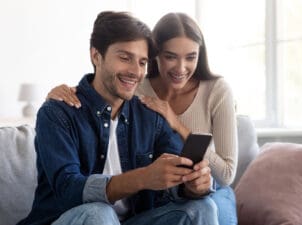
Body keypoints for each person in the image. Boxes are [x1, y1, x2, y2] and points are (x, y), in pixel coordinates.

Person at [18, 11, 218, 225]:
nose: (135, 71)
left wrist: (194, 185)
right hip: (70, 220)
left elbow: (177, 180)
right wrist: (143, 177)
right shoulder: (58, 113)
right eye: (125, 58)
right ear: (96, 56)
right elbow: (69, 189)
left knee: (203, 207)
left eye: (142, 62)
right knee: (99, 214)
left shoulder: (150, 116)